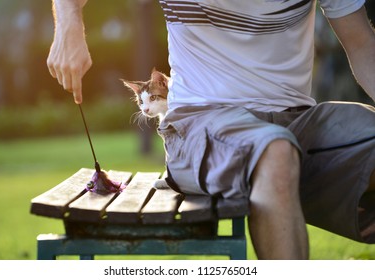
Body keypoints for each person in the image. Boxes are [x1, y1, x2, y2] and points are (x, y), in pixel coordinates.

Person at [47, 0, 375, 259]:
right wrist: (68, 28)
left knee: (284, 144)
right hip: (200, 120)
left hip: (298, 120)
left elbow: (362, 45)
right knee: (273, 151)